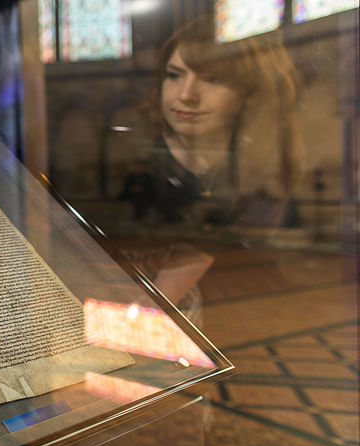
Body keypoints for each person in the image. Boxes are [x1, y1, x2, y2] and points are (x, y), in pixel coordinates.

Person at [113, 15, 303, 326]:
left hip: (230, 319)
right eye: (174, 75)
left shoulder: (264, 166)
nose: (186, 95)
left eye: (212, 79)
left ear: (249, 95)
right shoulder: (132, 146)